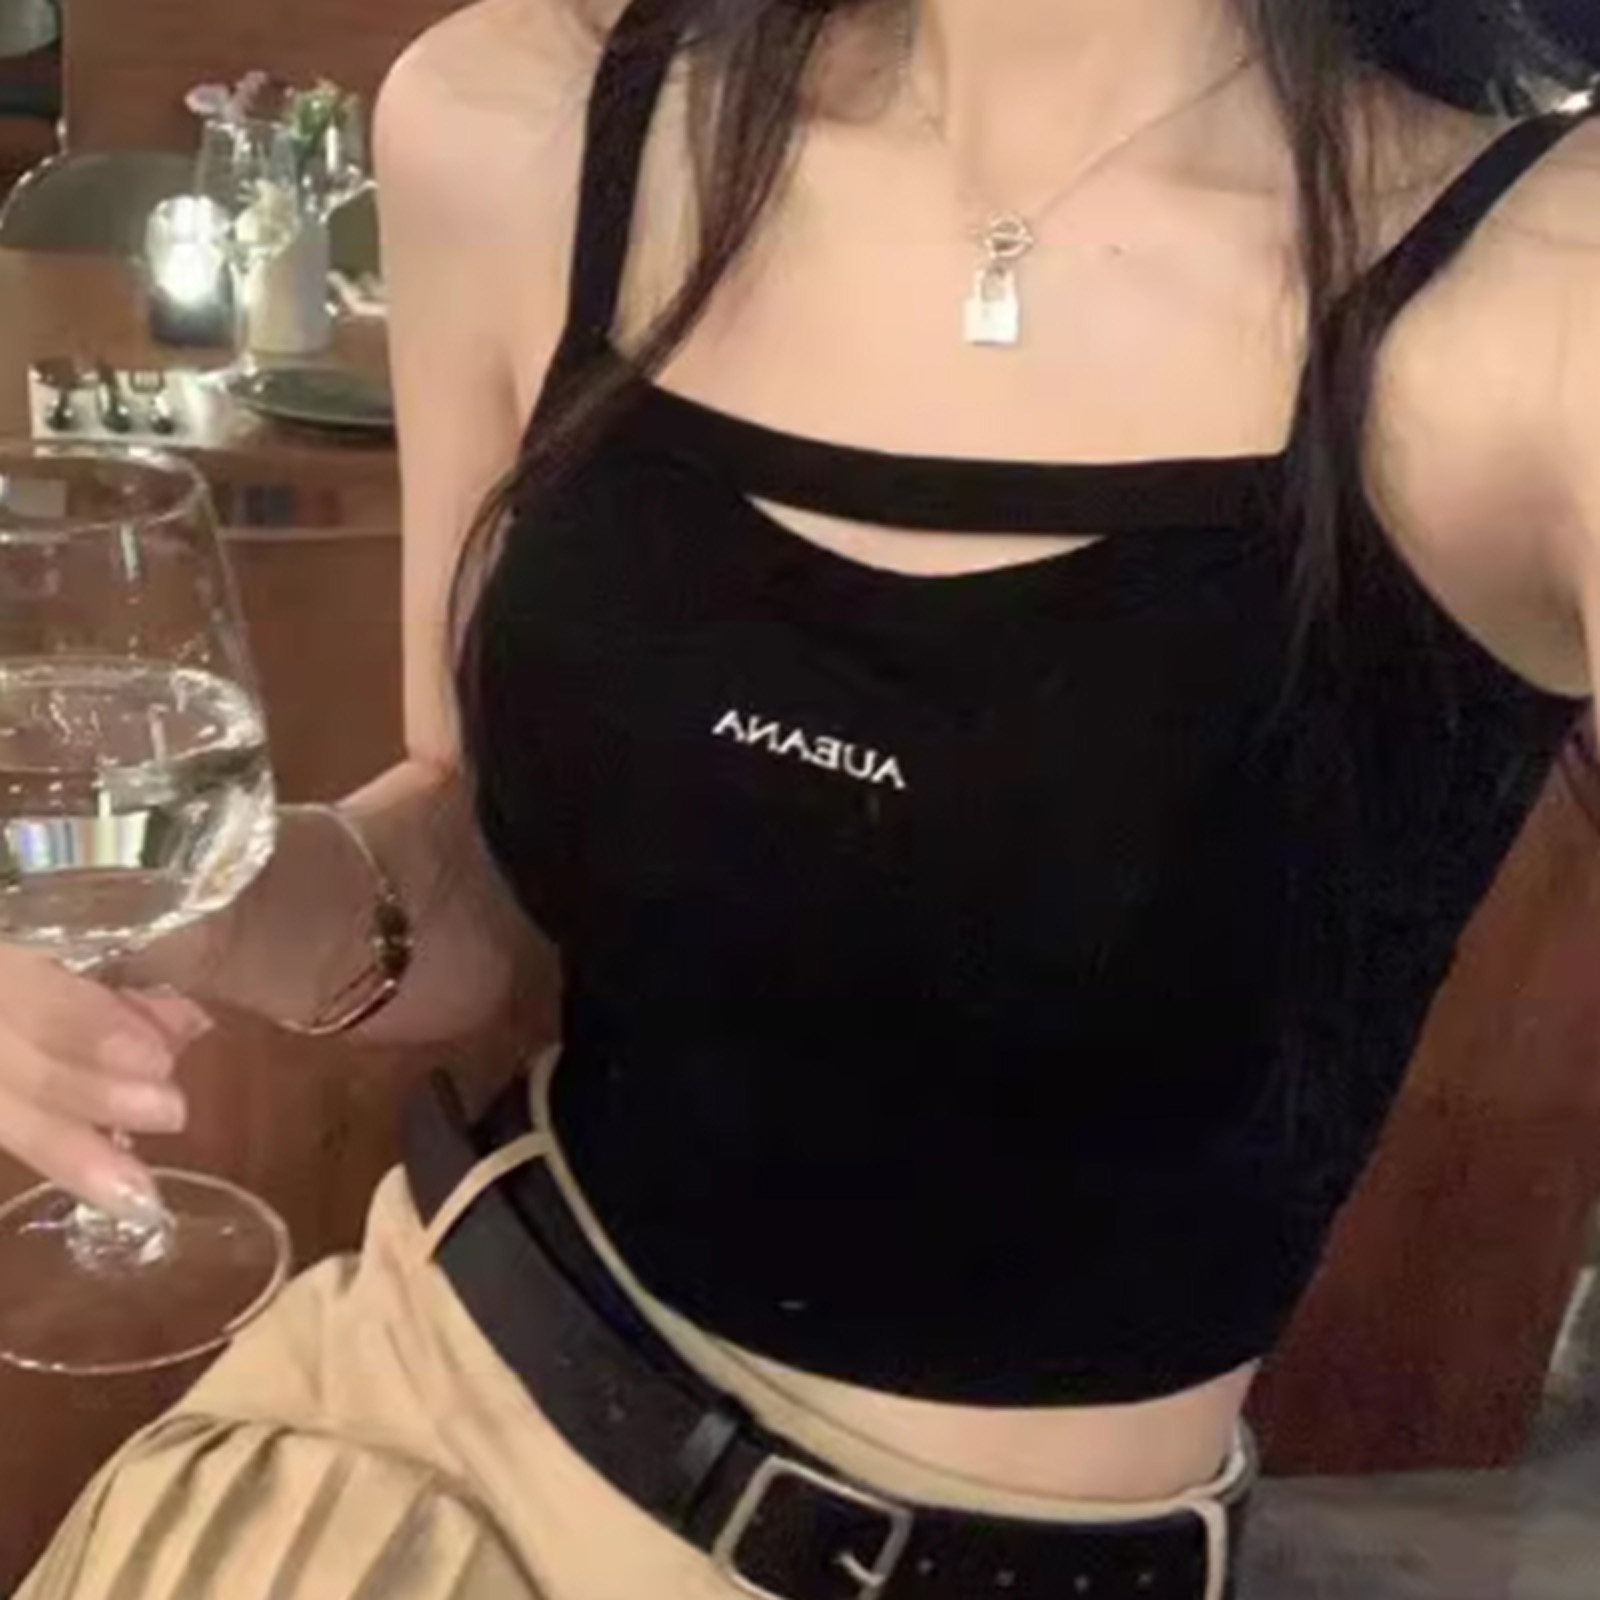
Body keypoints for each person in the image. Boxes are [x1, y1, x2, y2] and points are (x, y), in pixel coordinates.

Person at [8, 0, 1600, 1595]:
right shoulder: (523, 124)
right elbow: (471, 861)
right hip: (410, 1445)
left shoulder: (1547, 296)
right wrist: (201, 905)